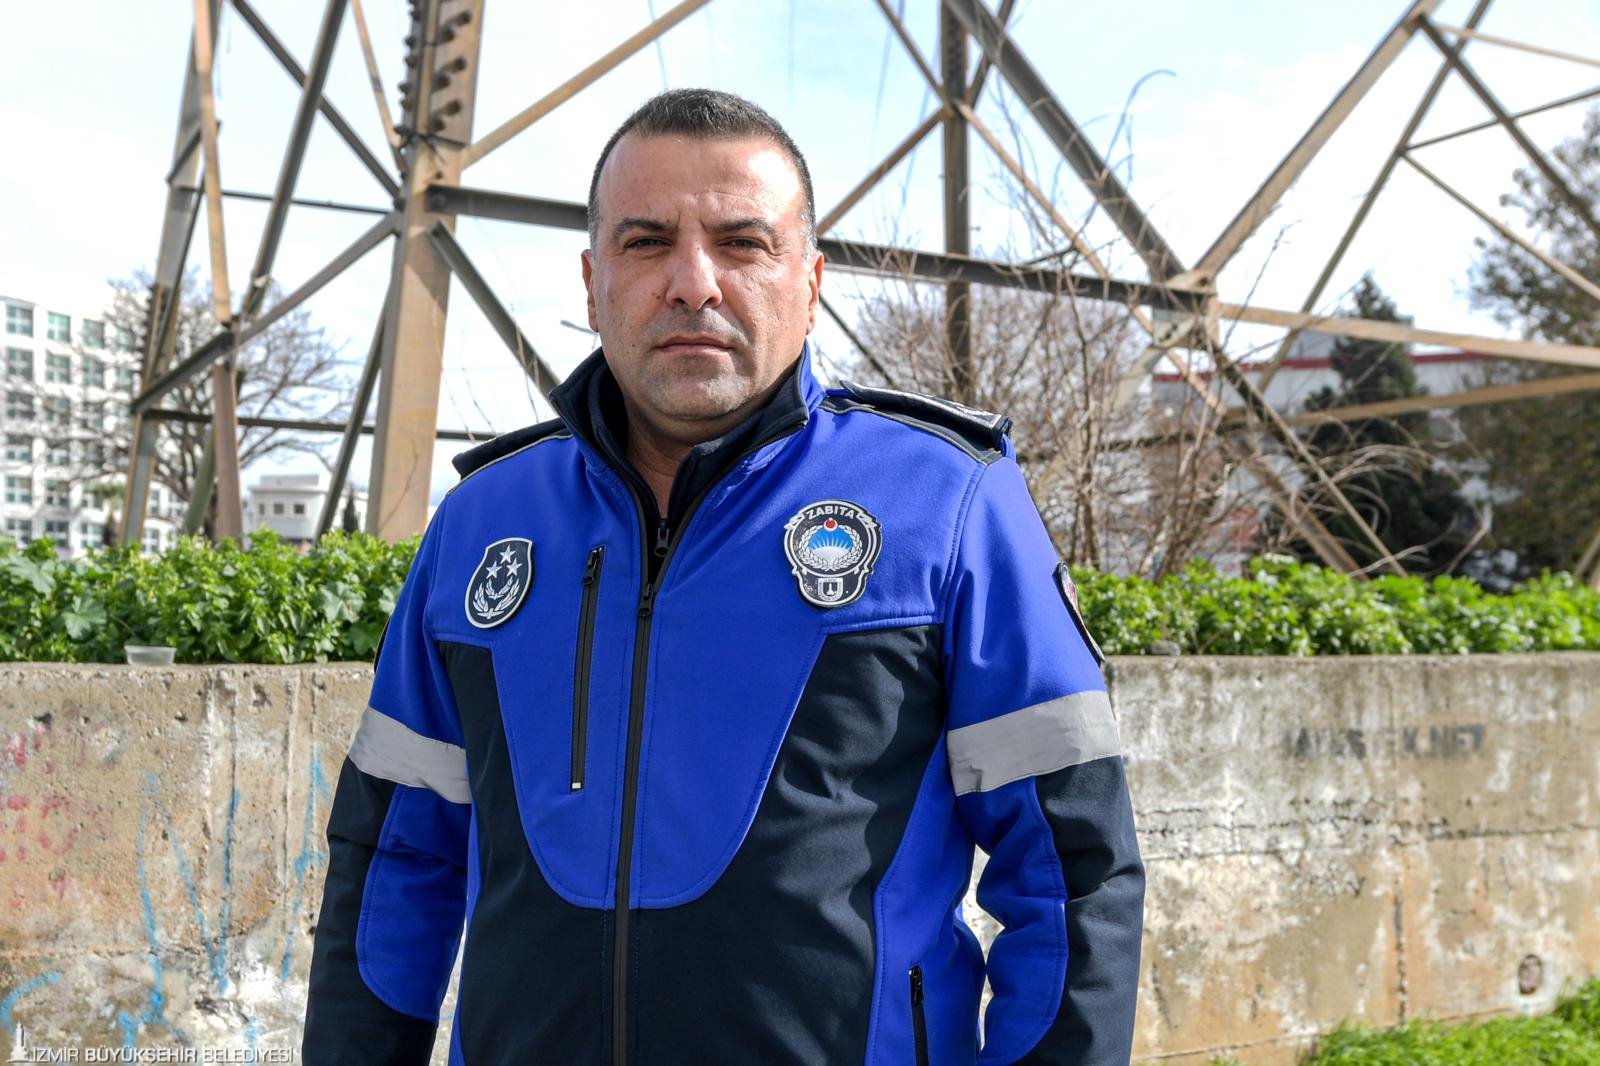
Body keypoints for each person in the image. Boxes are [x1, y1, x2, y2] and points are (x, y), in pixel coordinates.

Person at [303, 88, 1144, 1066]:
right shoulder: (481, 521)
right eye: (646, 242)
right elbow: (394, 864)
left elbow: (1073, 876)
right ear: (592, 281)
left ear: (810, 281)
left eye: (743, 243)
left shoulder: (947, 499)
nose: (692, 283)